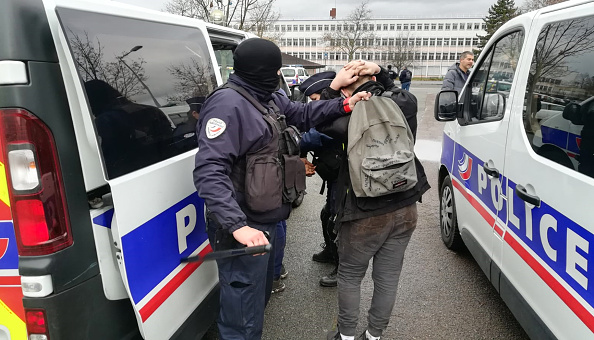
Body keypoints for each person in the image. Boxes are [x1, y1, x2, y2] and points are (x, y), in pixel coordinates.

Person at [193, 38, 370, 340]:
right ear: (259, 70)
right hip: (243, 225)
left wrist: (343, 104)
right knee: (241, 309)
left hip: (266, 217)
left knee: (257, 298)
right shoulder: (227, 105)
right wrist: (238, 227)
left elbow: (302, 113)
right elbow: (209, 171)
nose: (277, 76)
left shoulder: (268, 97)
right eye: (274, 70)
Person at [318, 61, 430, 340]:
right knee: (388, 276)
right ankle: (374, 335)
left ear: (346, 90)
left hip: (364, 209)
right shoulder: (404, 102)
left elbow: (318, 117)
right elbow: (390, 87)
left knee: (350, 275)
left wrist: (333, 88)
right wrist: (378, 70)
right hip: (405, 203)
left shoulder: (347, 116)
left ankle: (345, 335)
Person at [298, 71, 342, 287]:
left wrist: (294, 142)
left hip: (345, 176)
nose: (313, 105)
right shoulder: (330, 109)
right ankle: (330, 252)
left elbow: (314, 136)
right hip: (335, 174)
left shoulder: (337, 111)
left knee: (338, 220)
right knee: (327, 215)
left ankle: (342, 267)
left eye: (315, 100)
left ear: (325, 94)